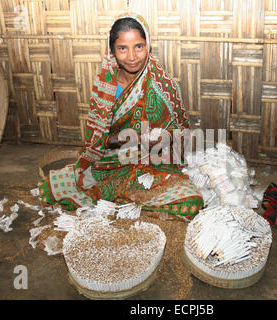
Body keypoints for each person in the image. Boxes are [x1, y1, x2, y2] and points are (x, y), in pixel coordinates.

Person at [38, 12, 203, 221]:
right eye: (122, 48)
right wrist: (124, 140)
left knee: (192, 200)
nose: (132, 56)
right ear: (112, 51)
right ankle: (126, 201)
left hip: (154, 162)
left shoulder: (163, 86)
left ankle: (126, 202)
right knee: (65, 186)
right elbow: (98, 141)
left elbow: (179, 132)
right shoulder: (105, 86)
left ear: (148, 45)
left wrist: (159, 140)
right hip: (113, 161)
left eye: (139, 46)